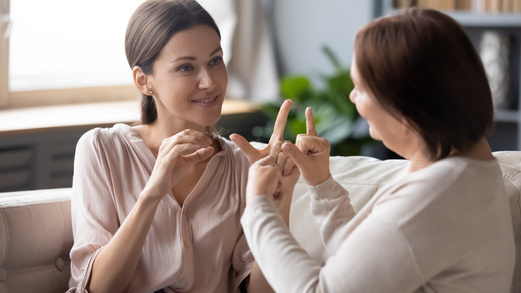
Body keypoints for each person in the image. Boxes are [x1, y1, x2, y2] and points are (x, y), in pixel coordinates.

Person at [240, 8, 516, 293]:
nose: (351, 97)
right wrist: (321, 184)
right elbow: (365, 268)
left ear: (406, 107)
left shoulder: (439, 194)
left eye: (360, 88)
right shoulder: (461, 162)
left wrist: (258, 206)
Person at [67, 0, 293, 292]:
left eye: (215, 60)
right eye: (186, 67)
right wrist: (153, 193)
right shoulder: (102, 149)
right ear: (143, 80)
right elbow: (97, 288)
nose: (209, 82)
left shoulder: (241, 164)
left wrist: (275, 206)